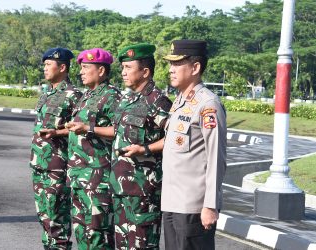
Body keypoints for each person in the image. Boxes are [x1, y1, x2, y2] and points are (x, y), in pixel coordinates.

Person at [161, 40, 227, 250]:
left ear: (195, 67)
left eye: (178, 64)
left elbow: (216, 157)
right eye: (171, 64)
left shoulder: (208, 104)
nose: (171, 69)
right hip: (172, 202)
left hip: (193, 206)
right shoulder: (181, 102)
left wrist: (210, 205)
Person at [111, 43, 171, 249]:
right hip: (121, 187)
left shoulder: (158, 101)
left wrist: (145, 149)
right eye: (122, 68)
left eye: (128, 68)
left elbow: (174, 138)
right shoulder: (127, 99)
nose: (123, 72)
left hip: (143, 191)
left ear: (145, 71)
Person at [65, 48, 121, 249]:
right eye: (81, 67)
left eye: (86, 67)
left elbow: (119, 130)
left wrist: (89, 128)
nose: (81, 71)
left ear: (101, 71)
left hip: (98, 177)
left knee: (98, 234)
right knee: (82, 232)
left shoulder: (111, 96)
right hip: (79, 175)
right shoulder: (86, 96)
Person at [29, 47, 83, 250]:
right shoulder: (46, 93)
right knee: (44, 218)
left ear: (62, 67)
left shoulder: (74, 95)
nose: (44, 68)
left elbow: (79, 131)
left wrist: (57, 133)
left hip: (56, 166)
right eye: (44, 65)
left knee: (57, 220)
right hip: (39, 164)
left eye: (48, 64)